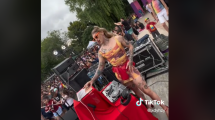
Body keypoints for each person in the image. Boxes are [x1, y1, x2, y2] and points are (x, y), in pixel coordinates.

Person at [84, 26, 169, 117]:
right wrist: (92, 81)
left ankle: (165, 108)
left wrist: (131, 59)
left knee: (147, 90)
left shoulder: (117, 39)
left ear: (101, 32)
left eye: (96, 36)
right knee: (137, 92)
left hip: (130, 69)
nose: (96, 40)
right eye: (94, 39)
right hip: (121, 75)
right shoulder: (101, 52)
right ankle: (147, 104)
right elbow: (100, 67)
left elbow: (130, 46)